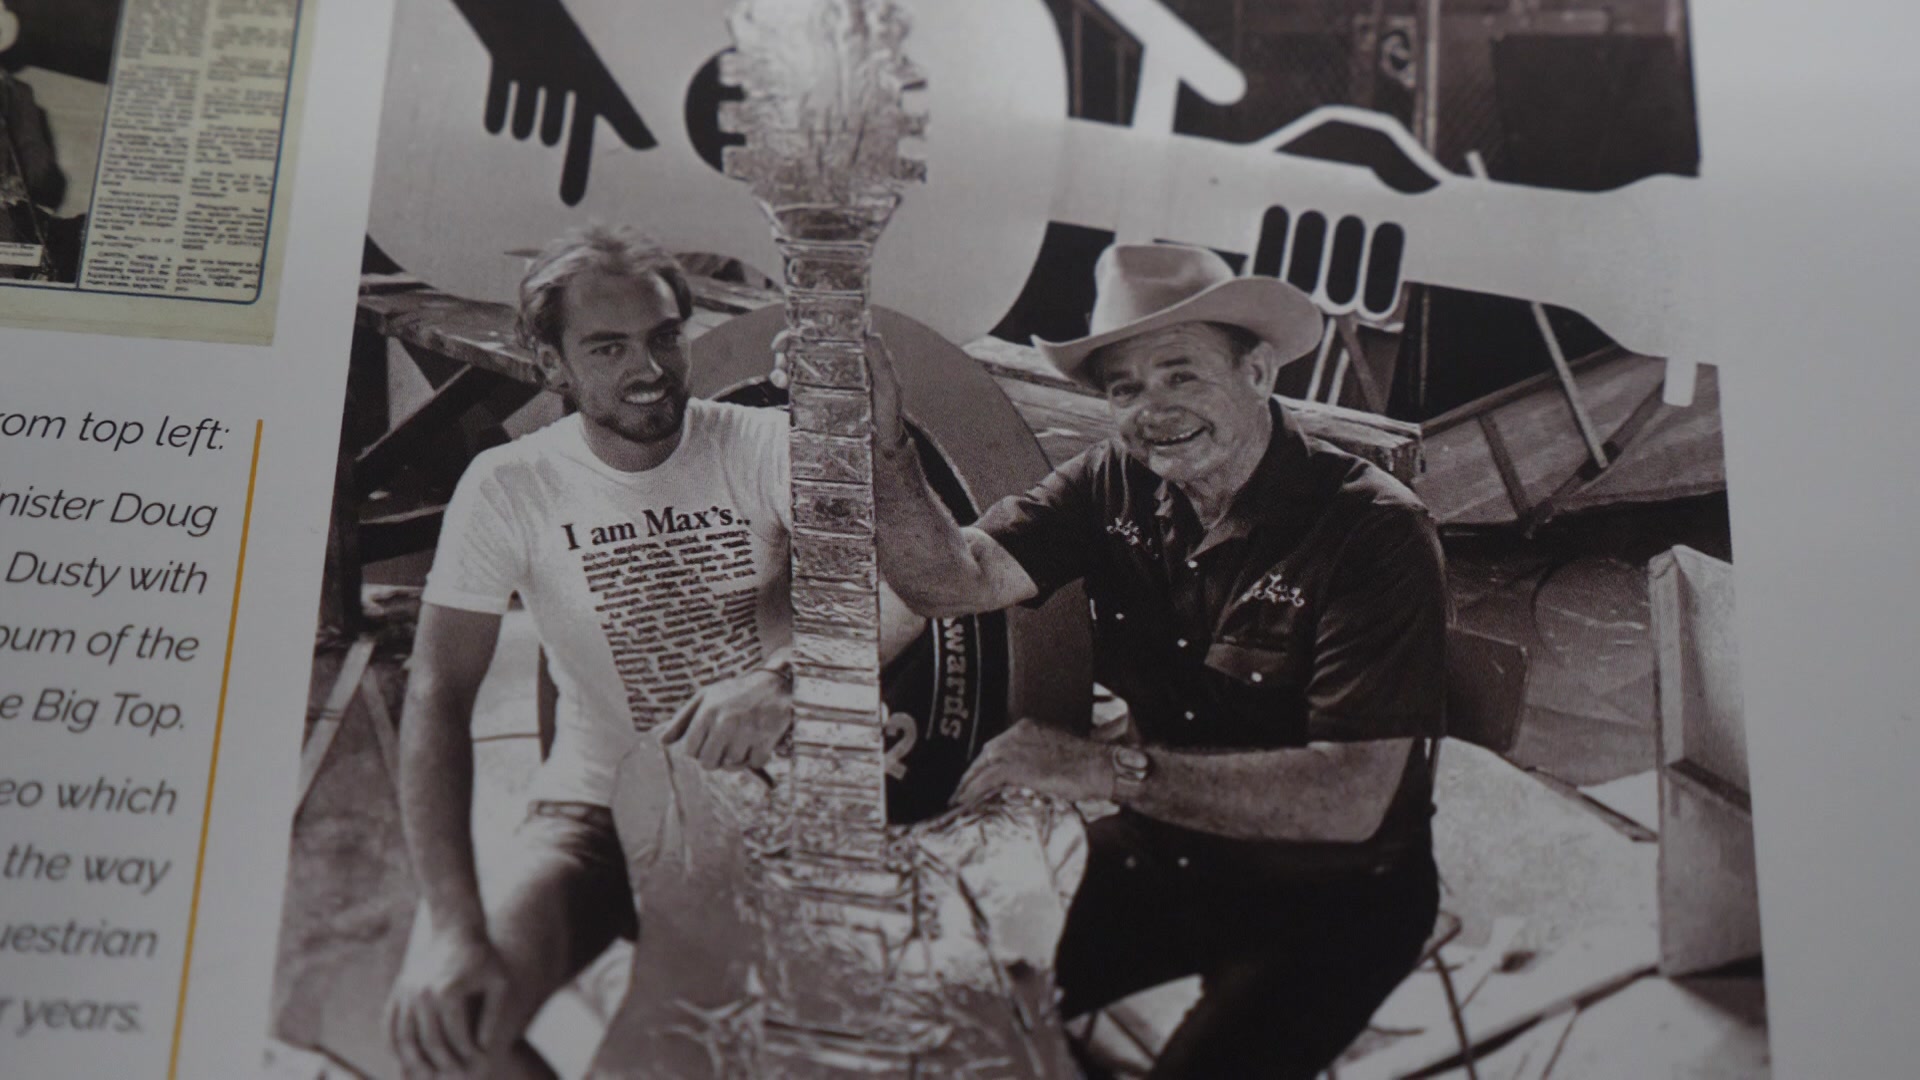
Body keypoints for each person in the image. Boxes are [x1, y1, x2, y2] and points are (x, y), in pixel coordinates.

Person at [864, 243, 1450, 1079]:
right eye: (1125, 388)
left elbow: (1351, 798)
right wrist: (885, 447)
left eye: (1180, 374)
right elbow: (948, 581)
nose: (1154, 410)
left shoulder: (1376, 531)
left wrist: (1108, 771)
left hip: (1335, 898)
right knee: (934, 991)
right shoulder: (1114, 483)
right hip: (1170, 854)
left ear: (1258, 371)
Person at [383, 223, 918, 1078]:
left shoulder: (761, 444)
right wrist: (449, 930)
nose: (649, 371)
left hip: (763, 813)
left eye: (664, 337)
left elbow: (912, 582)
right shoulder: (508, 485)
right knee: (452, 1038)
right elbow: (438, 695)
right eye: (608, 347)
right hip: (592, 809)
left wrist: (789, 678)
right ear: (553, 361)